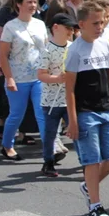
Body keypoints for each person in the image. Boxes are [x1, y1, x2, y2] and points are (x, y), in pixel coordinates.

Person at [64, 2, 109, 216]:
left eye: (102, 22)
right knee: (92, 159)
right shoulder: (74, 51)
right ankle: (95, 206)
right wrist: (72, 120)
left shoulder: (106, 46)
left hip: (106, 109)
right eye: (95, 23)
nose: (100, 27)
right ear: (81, 24)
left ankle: (89, 185)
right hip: (85, 112)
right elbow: (69, 88)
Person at [0, 0, 48, 161]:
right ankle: (7, 145)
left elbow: (46, 50)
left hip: (39, 77)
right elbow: (4, 55)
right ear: (19, 4)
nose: (33, 5)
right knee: (16, 114)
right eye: (29, 2)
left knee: (42, 113)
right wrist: (9, 78)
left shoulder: (40, 24)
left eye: (35, 2)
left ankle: (49, 149)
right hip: (18, 78)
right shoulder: (10, 27)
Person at [38, 12, 76, 178]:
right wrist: (57, 78)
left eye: (72, 28)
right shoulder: (47, 50)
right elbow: (41, 74)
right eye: (67, 28)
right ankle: (48, 162)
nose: (71, 32)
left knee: (76, 130)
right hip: (51, 100)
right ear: (55, 27)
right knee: (51, 133)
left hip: (69, 99)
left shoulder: (72, 47)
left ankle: (87, 161)